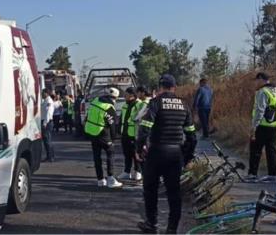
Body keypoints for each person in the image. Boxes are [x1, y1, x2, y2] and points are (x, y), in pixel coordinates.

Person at [136, 74, 197, 234]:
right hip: (175, 153)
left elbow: (144, 129)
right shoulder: (184, 105)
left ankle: (152, 223)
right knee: (174, 192)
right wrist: (187, 155)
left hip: (156, 151)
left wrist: (139, 149)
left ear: (160, 88)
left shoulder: (155, 103)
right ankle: (171, 229)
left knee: (150, 189)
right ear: (174, 87)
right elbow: (191, 135)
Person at [246, 72, 276, 182]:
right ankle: (273, 174)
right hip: (275, 125)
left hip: (262, 125)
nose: (256, 83)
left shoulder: (262, 92)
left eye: (257, 80)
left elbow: (260, 110)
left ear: (261, 79)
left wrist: (254, 126)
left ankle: (252, 174)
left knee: (255, 149)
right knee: (271, 150)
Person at [84, 87, 122, 188]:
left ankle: (100, 180)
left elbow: (87, 116)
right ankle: (110, 179)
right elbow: (113, 125)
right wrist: (113, 139)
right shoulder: (109, 107)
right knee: (110, 155)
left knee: (97, 157)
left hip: (92, 132)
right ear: (115, 98)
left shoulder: (95, 101)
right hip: (103, 133)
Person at [118, 87, 142, 181]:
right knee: (126, 153)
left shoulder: (139, 105)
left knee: (136, 154)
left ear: (132, 95)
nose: (124, 96)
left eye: (126, 94)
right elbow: (122, 118)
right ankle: (127, 172)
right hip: (125, 132)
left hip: (134, 133)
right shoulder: (125, 105)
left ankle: (138, 171)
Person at [41, 89, 55, 162]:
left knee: (47, 140)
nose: (41, 94)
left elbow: (48, 113)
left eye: (42, 93)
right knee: (47, 140)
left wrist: (44, 123)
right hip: (46, 121)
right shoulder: (45, 101)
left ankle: (50, 157)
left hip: (47, 122)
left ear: (46, 93)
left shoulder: (48, 101)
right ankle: (49, 156)